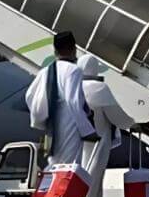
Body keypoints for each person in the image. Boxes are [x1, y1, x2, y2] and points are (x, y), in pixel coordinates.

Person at [25, 32, 100, 168]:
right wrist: (88, 131)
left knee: (54, 163)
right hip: (69, 123)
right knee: (68, 166)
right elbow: (73, 102)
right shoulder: (74, 70)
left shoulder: (46, 71)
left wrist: (42, 117)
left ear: (55, 51)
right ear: (73, 49)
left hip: (51, 124)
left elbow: (29, 96)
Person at [75, 55, 122, 197]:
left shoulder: (73, 88)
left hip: (78, 141)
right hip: (98, 141)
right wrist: (133, 123)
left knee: (82, 177)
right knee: (93, 178)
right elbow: (116, 115)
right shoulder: (99, 88)